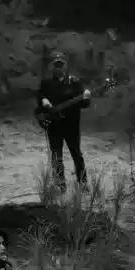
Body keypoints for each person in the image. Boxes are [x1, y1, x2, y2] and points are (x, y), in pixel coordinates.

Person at [37, 50, 92, 192]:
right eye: (56, 65)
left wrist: (86, 98)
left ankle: (83, 182)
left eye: (61, 65)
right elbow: (39, 97)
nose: (58, 68)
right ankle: (60, 185)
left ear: (65, 65)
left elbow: (84, 104)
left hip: (71, 125)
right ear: (52, 67)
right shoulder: (46, 83)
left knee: (76, 154)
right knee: (56, 156)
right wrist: (43, 100)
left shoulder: (75, 83)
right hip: (54, 126)